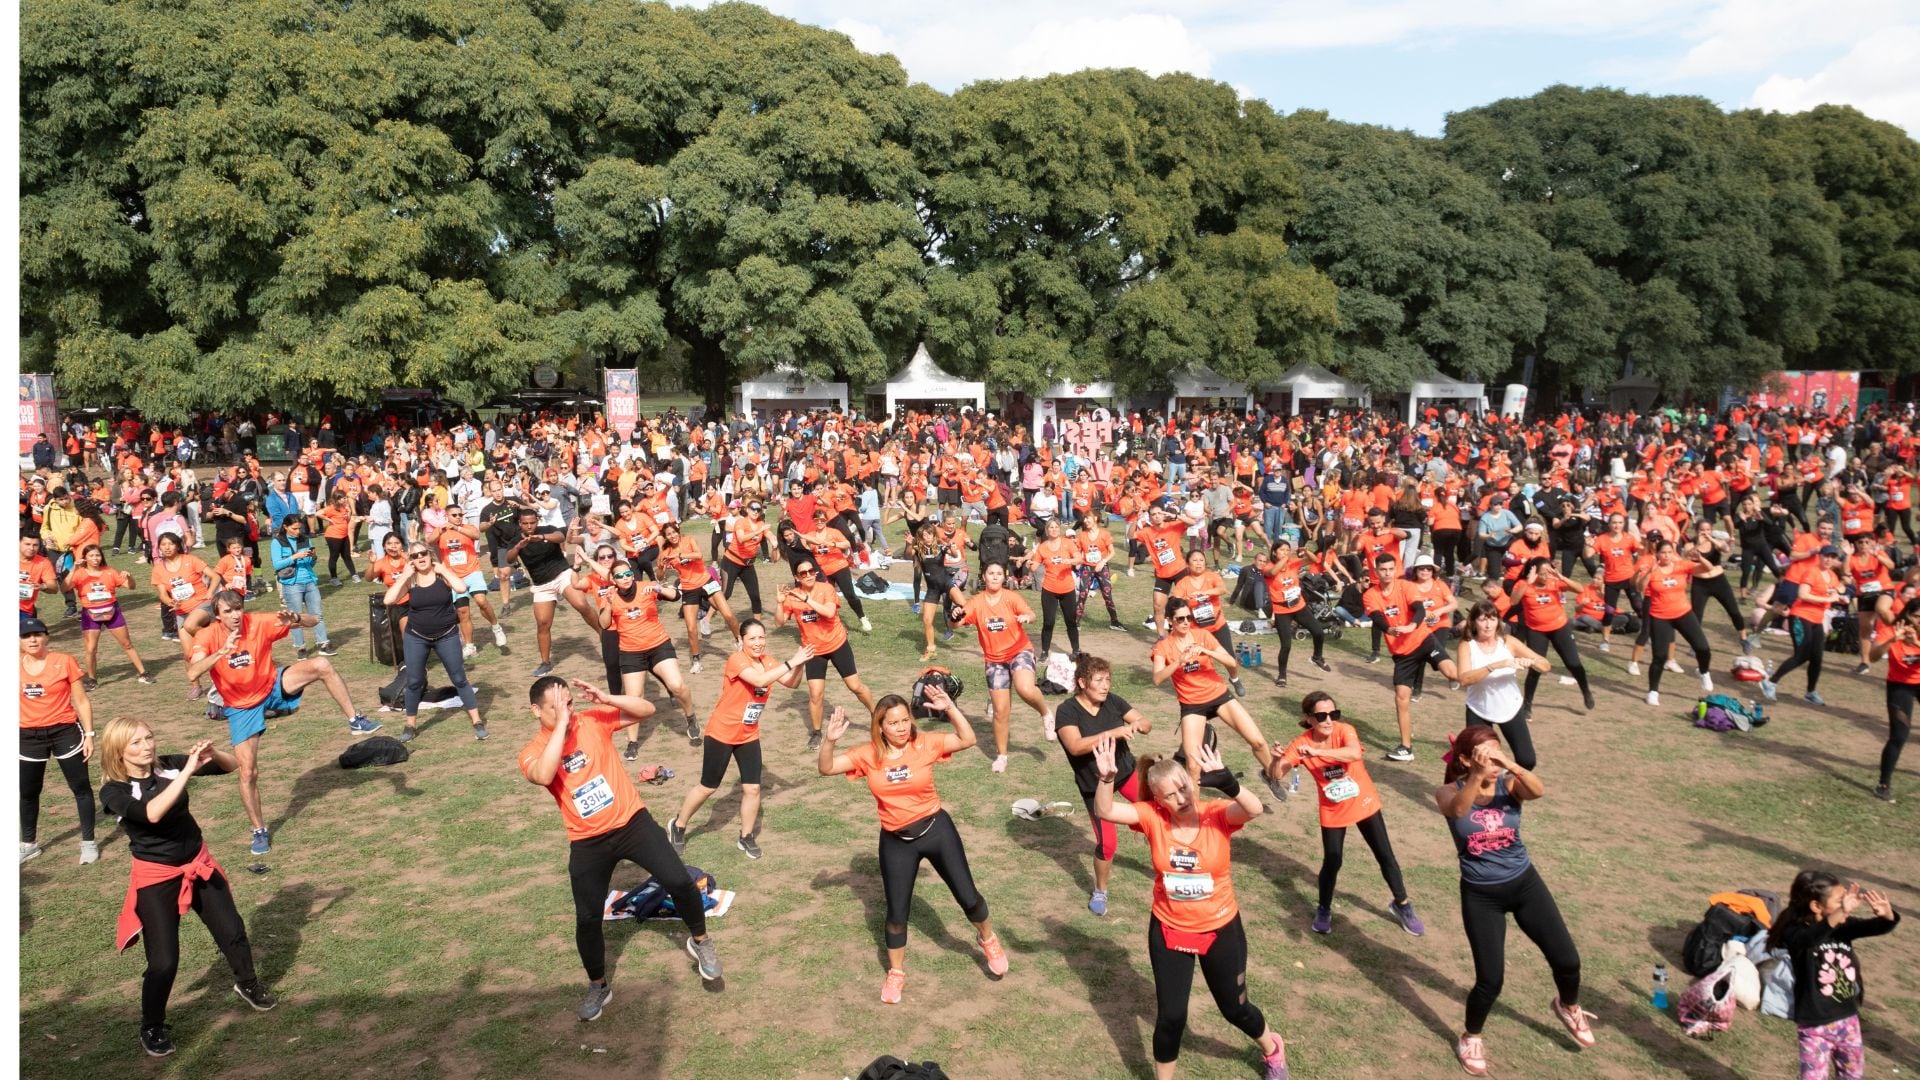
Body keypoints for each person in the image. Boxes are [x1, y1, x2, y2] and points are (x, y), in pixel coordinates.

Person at [520, 676, 722, 1021]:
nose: (567, 711)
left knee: (679, 880)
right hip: (588, 841)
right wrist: (562, 727)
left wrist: (606, 697)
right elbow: (543, 774)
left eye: (569, 703)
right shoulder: (532, 751)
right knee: (587, 918)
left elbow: (647, 709)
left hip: (632, 823)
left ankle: (700, 941)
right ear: (536, 711)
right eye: (556, 707)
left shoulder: (592, 721)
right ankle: (599, 985)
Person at [1089, 738, 1291, 1080]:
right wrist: (1107, 778)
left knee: (1235, 1009)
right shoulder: (1151, 817)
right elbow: (1105, 811)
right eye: (1170, 795)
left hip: (1220, 928)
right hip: (1170, 928)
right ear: (1157, 800)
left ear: (1192, 784)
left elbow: (1253, 809)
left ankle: (1272, 1049)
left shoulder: (1215, 814)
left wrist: (1230, 784)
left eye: (1183, 788)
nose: (1181, 798)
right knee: (1171, 1017)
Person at [97, 719, 276, 1058]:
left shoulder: (168, 764)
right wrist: (188, 771)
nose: (147, 746)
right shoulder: (114, 791)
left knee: (232, 931)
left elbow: (231, 766)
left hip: (198, 862)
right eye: (136, 743)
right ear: (118, 751)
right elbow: (151, 814)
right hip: (157, 877)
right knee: (164, 961)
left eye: (149, 737)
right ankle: (152, 1025)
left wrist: (213, 754)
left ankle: (248, 984)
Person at [816, 689, 1008, 1004]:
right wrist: (830, 740)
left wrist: (951, 708)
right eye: (893, 723)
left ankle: (988, 938)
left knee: (968, 896)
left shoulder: (924, 744)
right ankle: (896, 972)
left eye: (905, 720)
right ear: (880, 727)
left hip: (936, 831)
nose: (902, 727)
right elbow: (826, 768)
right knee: (896, 913)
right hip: (896, 841)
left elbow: (968, 739)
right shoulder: (868, 754)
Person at [1436, 724, 1591, 1076]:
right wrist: (1477, 775)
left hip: (1525, 886)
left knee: (1568, 961)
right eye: (1486, 756)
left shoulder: (1509, 785)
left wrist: (1509, 763)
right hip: (1481, 896)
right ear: (1466, 760)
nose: (1494, 762)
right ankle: (1471, 1037)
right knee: (1491, 980)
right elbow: (1458, 811)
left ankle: (1568, 1006)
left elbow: (1538, 790)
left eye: (1497, 753)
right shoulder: (1447, 792)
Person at [188, 590, 379, 855]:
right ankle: (259, 830)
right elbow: (193, 672)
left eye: (238, 608)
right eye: (228, 611)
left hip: (271, 686)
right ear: (217, 615)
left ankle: (355, 720)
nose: (235, 615)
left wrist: (296, 618)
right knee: (247, 772)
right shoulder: (207, 635)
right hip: (242, 707)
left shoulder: (258, 622)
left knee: (321, 664)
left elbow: (314, 620)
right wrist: (221, 652)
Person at [1273, 691, 1422, 937]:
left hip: (1363, 802)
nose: (1329, 720)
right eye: (1322, 716)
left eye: (1333, 714)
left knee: (1384, 854)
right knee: (1333, 860)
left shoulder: (1344, 730)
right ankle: (1324, 909)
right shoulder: (1300, 743)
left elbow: (1354, 753)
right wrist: (1275, 760)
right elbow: (1278, 774)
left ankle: (1402, 904)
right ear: (1309, 718)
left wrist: (1318, 753)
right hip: (1333, 809)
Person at [668, 622, 811, 860]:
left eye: (761, 637)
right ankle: (679, 825)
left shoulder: (769, 662)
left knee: (753, 788)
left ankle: (746, 836)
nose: (758, 643)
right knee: (708, 787)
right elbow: (760, 681)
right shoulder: (737, 660)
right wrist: (792, 661)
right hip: (722, 733)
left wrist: (801, 663)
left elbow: (792, 683)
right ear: (742, 641)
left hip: (748, 734)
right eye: (752, 638)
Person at [1771, 870, 1901, 1080]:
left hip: (1848, 1021)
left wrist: (1887, 916)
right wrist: (1840, 913)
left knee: (1852, 1075)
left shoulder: (1843, 927)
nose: (1847, 903)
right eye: (1840, 900)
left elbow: (1873, 927)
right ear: (1816, 906)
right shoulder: (1795, 932)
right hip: (1814, 1026)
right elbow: (1808, 939)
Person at [1150, 597, 1282, 797]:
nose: (1186, 622)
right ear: (1170, 621)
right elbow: (1157, 678)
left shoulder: (1202, 635)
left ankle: (1271, 776)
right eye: (1180, 619)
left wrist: (1207, 651)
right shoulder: (1163, 647)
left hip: (1218, 695)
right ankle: (1193, 809)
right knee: (1193, 765)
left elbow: (1231, 662)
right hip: (1192, 705)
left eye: (1189, 618)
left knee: (1258, 742)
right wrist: (1179, 661)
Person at [1053, 654, 1153, 916]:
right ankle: (1100, 890)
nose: (1105, 685)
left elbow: (1145, 722)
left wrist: (1139, 725)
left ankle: (1167, 866)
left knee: (1157, 815)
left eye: (1108, 679)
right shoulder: (1067, 711)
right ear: (1082, 682)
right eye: (1099, 680)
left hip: (1126, 773)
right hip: (1095, 785)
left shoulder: (1113, 701)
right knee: (1107, 844)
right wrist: (1113, 733)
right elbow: (1075, 746)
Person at [952, 562, 1053, 772]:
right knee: (1000, 711)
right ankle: (1002, 756)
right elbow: (956, 623)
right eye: (991, 573)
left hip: (1019, 651)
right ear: (984, 576)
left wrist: (1026, 617)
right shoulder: (976, 602)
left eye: (999, 573)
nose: (995, 577)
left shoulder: (1011, 598)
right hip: (994, 659)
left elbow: (1031, 614)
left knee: (1025, 688)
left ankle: (1046, 714)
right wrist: (954, 616)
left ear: (1004, 577)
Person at [384, 545, 486, 743]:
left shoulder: (442, 575)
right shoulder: (411, 580)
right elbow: (389, 600)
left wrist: (444, 570)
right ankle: (410, 725)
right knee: (414, 681)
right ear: (411, 560)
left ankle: (477, 721)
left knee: (459, 679)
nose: (420, 557)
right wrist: (404, 576)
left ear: (430, 556)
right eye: (415, 556)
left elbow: (461, 588)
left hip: (446, 635)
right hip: (416, 636)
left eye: (423, 553)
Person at [1365, 553, 1461, 761]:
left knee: (1452, 674)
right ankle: (1406, 748)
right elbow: (1377, 618)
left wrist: (1411, 626)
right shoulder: (1370, 595)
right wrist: (1389, 630)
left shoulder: (1406, 586)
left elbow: (1419, 609)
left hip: (1424, 640)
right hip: (1402, 653)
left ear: (1396, 569)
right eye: (1383, 569)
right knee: (1401, 698)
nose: (1387, 573)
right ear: (1376, 571)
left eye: (1391, 569)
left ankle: (1487, 675)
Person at [773, 559, 876, 750]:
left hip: (837, 643)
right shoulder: (792, 597)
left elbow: (829, 612)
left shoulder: (826, 588)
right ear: (797, 577)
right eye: (803, 573)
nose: (808, 575)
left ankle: (875, 714)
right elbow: (779, 623)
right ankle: (816, 732)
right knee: (815, 694)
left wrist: (806, 599)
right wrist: (780, 603)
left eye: (811, 571)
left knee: (855, 686)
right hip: (813, 650)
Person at [19, 618, 98, 865]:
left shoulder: (64, 661)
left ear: (46, 637)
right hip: (27, 737)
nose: (32, 639)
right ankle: (29, 844)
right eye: (26, 636)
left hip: (65, 732)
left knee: (80, 787)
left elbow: (81, 701)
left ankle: (88, 842)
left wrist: (89, 735)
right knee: (28, 792)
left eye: (37, 634)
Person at [596, 562, 700, 747]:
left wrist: (659, 588)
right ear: (613, 580)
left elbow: (676, 595)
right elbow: (604, 624)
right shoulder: (610, 595)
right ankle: (633, 742)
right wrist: (610, 604)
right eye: (619, 576)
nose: (625, 578)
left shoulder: (645, 587)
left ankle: (690, 716)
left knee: (676, 685)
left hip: (658, 645)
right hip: (631, 652)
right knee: (634, 697)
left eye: (627, 574)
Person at [1454, 601, 1549, 771]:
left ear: (1498, 621)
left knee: (1527, 760)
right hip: (1479, 708)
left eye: (1492, 619)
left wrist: (1531, 662)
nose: (1488, 625)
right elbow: (1464, 679)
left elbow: (1545, 665)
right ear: (1473, 622)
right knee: (1480, 760)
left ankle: (1507, 783)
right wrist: (1496, 665)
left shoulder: (1508, 642)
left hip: (1510, 707)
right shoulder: (1466, 646)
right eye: (1483, 620)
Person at [1760, 544, 1846, 707]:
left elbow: (1833, 594)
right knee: (1802, 654)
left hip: (1816, 620)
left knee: (1817, 657)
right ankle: (1771, 682)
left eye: (1832, 557)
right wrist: (1828, 599)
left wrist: (1839, 598)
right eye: (1826, 556)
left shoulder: (1832, 576)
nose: (1829, 560)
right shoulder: (1811, 572)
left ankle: (1810, 692)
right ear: (1819, 556)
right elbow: (1803, 595)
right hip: (1800, 617)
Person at [1506, 559, 1596, 713]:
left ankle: (1585, 690)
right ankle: (1527, 705)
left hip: (1560, 627)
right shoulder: (1523, 584)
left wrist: (1561, 577)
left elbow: (1580, 589)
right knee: (1536, 668)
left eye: (1548, 572)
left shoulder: (1554, 581)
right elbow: (1513, 601)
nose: (1546, 576)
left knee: (1573, 663)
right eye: (1542, 573)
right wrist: (1528, 582)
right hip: (1536, 631)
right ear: (1534, 573)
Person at [661, 520, 743, 673]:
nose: (672, 536)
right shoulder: (666, 552)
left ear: (678, 531)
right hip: (689, 588)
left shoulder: (689, 540)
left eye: (673, 532)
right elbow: (660, 576)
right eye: (668, 534)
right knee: (691, 628)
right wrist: (662, 566)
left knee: (727, 614)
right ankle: (696, 661)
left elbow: (698, 555)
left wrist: (679, 555)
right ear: (665, 537)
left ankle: (740, 642)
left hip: (706, 581)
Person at [68, 544, 155, 688]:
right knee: (91, 649)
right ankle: (92, 680)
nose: (95, 558)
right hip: (90, 614)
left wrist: (130, 577)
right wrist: (73, 569)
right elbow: (65, 587)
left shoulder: (110, 572)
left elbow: (131, 586)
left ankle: (143, 673)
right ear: (85, 558)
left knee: (127, 644)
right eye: (91, 555)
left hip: (112, 612)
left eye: (97, 555)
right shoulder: (80, 573)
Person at [428, 505, 508, 659]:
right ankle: (470, 646)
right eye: (454, 515)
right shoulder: (441, 530)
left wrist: (457, 528)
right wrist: (440, 530)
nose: (458, 517)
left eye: (460, 514)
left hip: (472, 572)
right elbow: (429, 541)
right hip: (454, 577)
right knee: (463, 612)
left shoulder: (467, 527)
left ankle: (496, 628)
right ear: (447, 516)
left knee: (481, 601)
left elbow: (476, 535)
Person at [505, 507, 575, 677]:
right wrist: (518, 547)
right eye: (525, 523)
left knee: (581, 604)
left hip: (562, 574)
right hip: (541, 584)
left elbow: (560, 536)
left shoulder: (547, 529)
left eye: (532, 522)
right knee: (543, 623)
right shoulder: (516, 540)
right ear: (520, 523)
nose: (529, 526)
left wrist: (542, 537)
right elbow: (509, 558)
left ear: (537, 521)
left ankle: (603, 634)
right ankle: (545, 663)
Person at [149, 531, 220, 698]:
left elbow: (215, 576)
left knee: (190, 625)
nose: (167, 547)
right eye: (163, 545)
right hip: (181, 611)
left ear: (177, 545)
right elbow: (162, 594)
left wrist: (210, 593)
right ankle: (196, 686)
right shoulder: (158, 569)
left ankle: (213, 641)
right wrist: (170, 602)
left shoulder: (190, 560)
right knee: (188, 654)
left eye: (170, 544)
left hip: (202, 605)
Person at [1256, 537, 1329, 688]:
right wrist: (1287, 558)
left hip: (1299, 606)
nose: (1285, 552)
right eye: (1282, 550)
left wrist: (1306, 551)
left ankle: (1317, 657)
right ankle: (1282, 676)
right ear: (1274, 552)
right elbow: (1273, 571)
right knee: (1286, 645)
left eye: (1287, 550)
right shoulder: (1268, 567)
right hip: (1282, 610)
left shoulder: (1292, 563)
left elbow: (1314, 560)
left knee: (1319, 632)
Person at [1867, 600, 1920, 803]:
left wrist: (1916, 642)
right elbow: (1873, 657)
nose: (1918, 622)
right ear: (1907, 614)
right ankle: (1883, 784)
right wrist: (1892, 640)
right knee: (1899, 735)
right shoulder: (1890, 630)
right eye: (1916, 617)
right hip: (1900, 686)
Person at [1170, 549, 1242, 695]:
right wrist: (1183, 601)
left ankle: (1234, 679)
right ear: (1188, 564)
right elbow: (1174, 601)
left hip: (1218, 625)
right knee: (1198, 661)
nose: (1198, 563)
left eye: (1201, 560)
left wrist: (1204, 592)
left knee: (1230, 658)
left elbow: (1222, 589)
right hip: (1197, 630)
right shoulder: (1183, 583)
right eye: (1195, 560)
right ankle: (1201, 688)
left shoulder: (1212, 576)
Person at [268, 516, 332, 660]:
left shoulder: (305, 539)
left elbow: (311, 563)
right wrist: (294, 557)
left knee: (317, 614)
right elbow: (277, 565)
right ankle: (301, 647)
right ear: (285, 527)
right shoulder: (277, 542)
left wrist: (313, 557)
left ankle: (323, 644)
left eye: (299, 528)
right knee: (295, 617)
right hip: (291, 584)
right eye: (294, 529)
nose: (298, 532)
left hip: (309, 581)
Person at [1034, 518, 1084, 658]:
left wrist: (1070, 560)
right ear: (1046, 530)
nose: (1054, 529)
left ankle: (1076, 650)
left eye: (1056, 527)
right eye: (1051, 527)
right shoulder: (1042, 547)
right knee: (1048, 622)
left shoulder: (1068, 543)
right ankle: (1044, 651)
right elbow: (1034, 566)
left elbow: (1079, 559)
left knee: (1071, 621)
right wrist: (1029, 564)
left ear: (1060, 528)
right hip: (1049, 589)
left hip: (1067, 589)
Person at [1075, 513, 1124, 631]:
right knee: (1082, 594)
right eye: (1084, 518)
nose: (1085, 520)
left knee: (1107, 595)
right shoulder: (1082, 535)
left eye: (1088, 518)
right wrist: (1077, 562)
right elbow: (1078, 552)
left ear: (1095, 518)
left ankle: (1114, 622)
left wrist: (1103, 561)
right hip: (1087, 567)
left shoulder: (1104, 534)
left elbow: (1112, 552)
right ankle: (1075, 623)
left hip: (1102, 567)